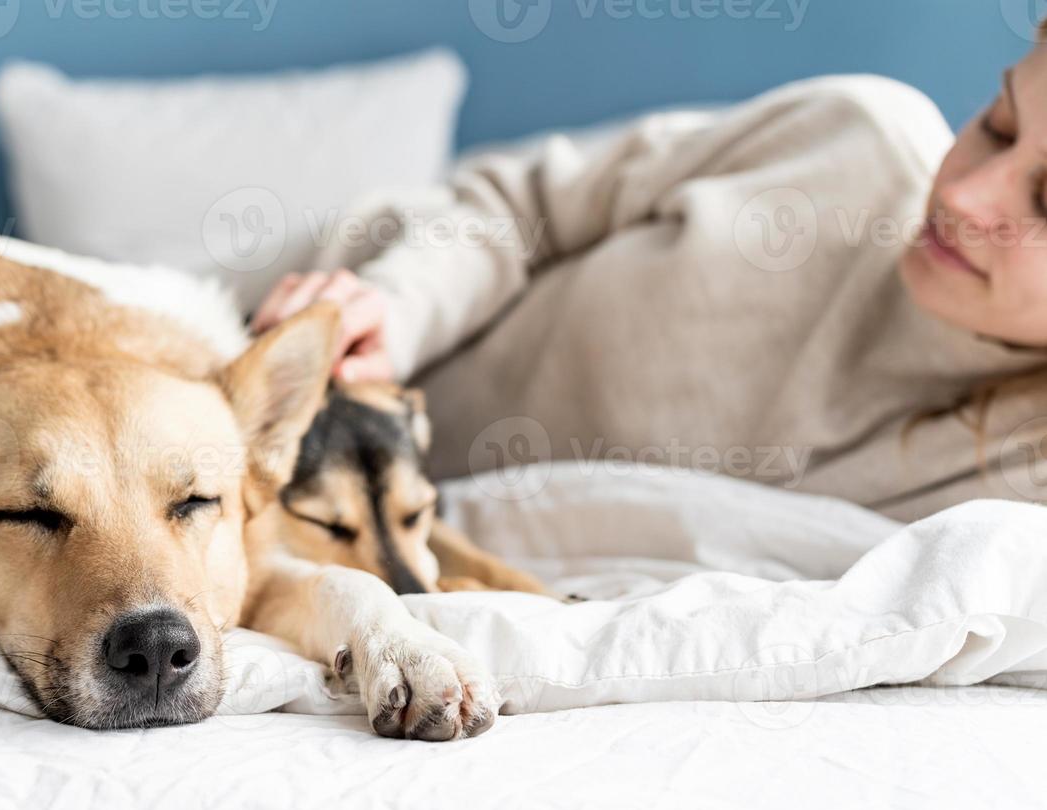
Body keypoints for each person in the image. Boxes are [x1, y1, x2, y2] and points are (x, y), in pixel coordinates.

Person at [251, 36, 1047, 522]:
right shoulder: (850, 135)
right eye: (997, 124)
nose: (966, 196)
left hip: (380, 520)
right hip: (323, 292)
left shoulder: (1014, 476)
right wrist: (398, 307)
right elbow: (517, 206)